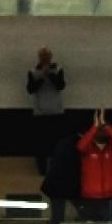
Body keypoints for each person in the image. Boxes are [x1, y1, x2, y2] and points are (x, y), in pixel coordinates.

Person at [77, 109, 112, 224]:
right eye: (99, 128)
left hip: (111, 198)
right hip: (90, 198)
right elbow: (80, 146)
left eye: (103, 128)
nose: (101, 130)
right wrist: (95, 126)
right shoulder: (87, 149)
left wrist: (105, 124)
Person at [27, 47, 66, 175]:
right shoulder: (33, 71)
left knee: (56, 143)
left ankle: (56, 167)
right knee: (40, 144)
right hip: (40, 113)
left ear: (51, 57)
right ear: (39, 57)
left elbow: (60, 86)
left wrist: (49, 74)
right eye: (42, 56)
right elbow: (31, 89)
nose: (44, 58)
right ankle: (42, 170)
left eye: (47, 55)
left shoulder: (58, 69)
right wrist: (42, 77)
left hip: (56, 112)